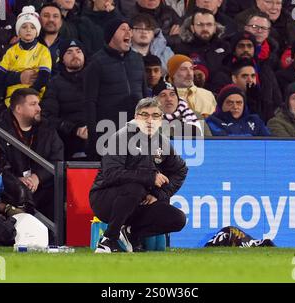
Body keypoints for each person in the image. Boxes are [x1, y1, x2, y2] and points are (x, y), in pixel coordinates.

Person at [90, 97, 187, 253]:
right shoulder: (121, 137)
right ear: (136, 118)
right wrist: (150, 178)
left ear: (161, 120)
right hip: (105, 199)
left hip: (139, 202)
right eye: (144, 115)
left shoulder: (162, 143)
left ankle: (129, 233)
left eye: (155, 116)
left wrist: (159, 194)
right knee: (135, 188)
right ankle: (109, 239)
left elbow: (180, 170)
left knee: (178, 219)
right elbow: (111, 174)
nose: (150, 120)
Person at [0, 88, 64, 220]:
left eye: (38, 103)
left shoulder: (48, 128)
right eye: (33, 104)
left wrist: (38, 177)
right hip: (11, 193)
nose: (39, 108)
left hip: (44, 192)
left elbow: (57, 158)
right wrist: (15, 180)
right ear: (19, 108)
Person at [84, 18, 147, 160]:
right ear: (112, 35)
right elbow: (90, 102)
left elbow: (144, 94)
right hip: (108, 129)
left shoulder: (137, 59)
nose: (129, 33)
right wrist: (94, 135)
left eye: (130, 29)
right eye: (123, 29)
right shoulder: (97, 62)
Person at [0, 5, 52, 110]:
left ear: (37, 32)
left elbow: (44, 76)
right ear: (18, 32)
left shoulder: (43, 51)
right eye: (24, 27)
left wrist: (31, 92)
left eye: (32, 27)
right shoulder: (10, 51)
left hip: (36, 97)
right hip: (12, 98)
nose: (28, 30)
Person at [40, 39, 88, 160]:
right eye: (69, 52)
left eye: (78, 51)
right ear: (62, 58)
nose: (75, 55)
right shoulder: (54, 84)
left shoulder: (96, 79)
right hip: (68, 142)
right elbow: (47, 116)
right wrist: (74, 130)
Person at [171, 8, 230, 92]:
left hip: (222, 93)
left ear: (215, 27)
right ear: (192, 28)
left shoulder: (225, 46)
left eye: (209, 24)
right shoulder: (181, 49)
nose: (205, 28)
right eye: (200, 24)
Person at [205, 84, 270, 136]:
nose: (235, 107)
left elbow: (269, 143)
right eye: (230, 103)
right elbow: (223, 141)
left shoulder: (255, 121)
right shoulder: (212, 122)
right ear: (221, 105)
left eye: (239, 103)